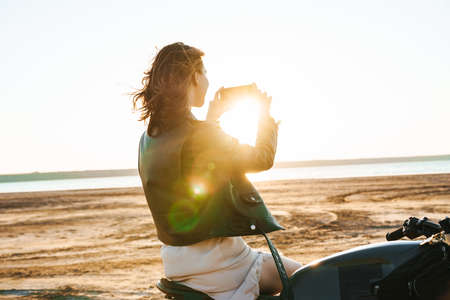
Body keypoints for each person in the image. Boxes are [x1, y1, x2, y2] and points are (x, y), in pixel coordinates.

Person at [132, 42, 302, 299]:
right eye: (205, 73)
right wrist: (265, 118)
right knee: (307, 278)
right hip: (220, 263)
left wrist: (212, 120)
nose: (208, 81)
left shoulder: (148, 138)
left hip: (177, 263)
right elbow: (261, 158)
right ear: (193, 78)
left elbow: (192, 170)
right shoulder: (203, 134)